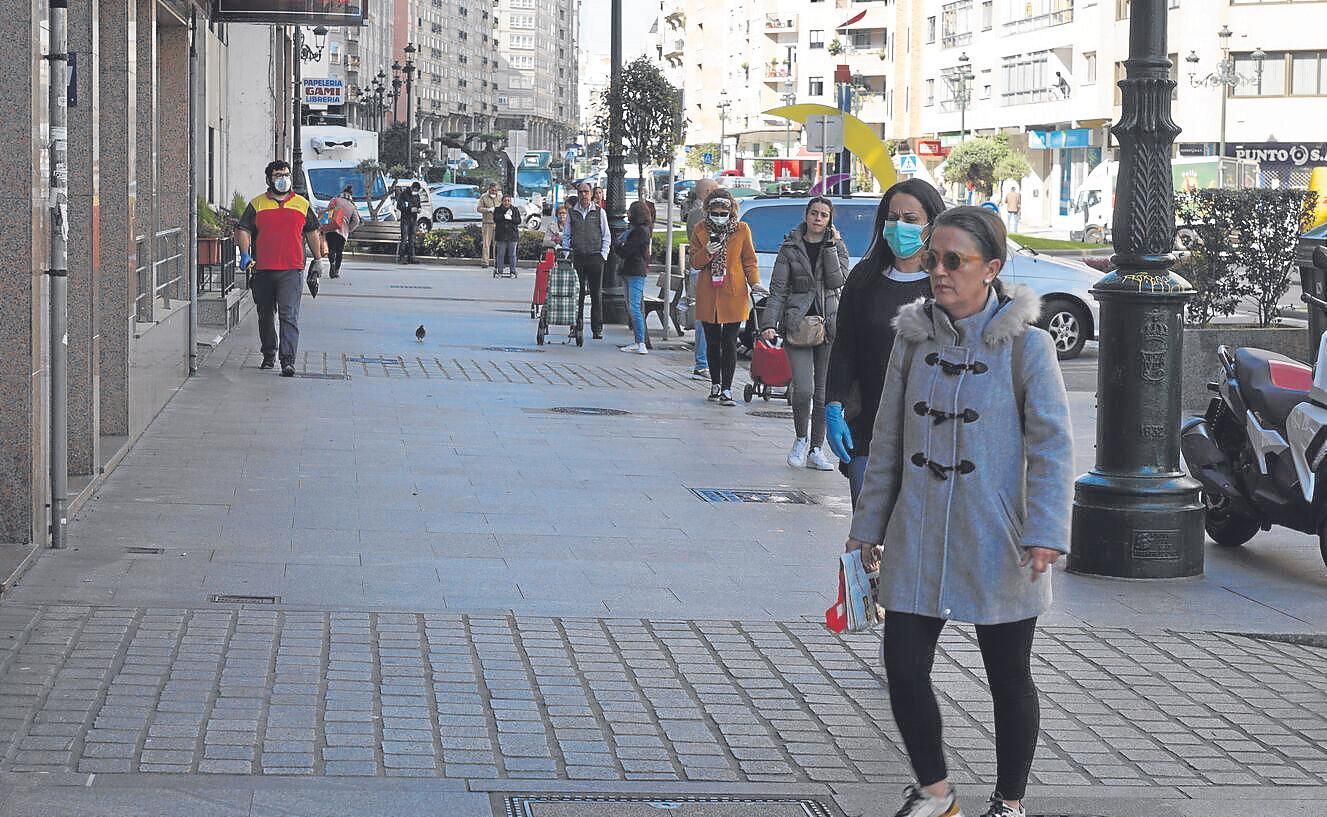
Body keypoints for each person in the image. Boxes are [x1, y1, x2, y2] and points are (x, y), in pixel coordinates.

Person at [845, 206, 1073, 817]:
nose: (938, 272)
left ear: (991, 268)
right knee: (902, 663)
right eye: (932, 258)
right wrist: (867, 525)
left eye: (954, 261)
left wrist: (1047, 530)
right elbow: (888, 438)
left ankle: (1009, 800)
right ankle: (937, 792)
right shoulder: (912, 338)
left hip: (999, 535)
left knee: (1008, 675)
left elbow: (1052, 445)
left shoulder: (1028, 346)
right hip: (917, 530)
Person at [826, 179, 947, 505]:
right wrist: (834, 406)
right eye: (892, 218)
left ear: (932, 224)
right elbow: (845, 348)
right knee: (869, 540)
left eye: (910, 219)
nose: (898, 227)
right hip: (870, 431)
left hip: (932, 437)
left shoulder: (946, 285)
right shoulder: (864, 278)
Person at [761, 197, 848, 471]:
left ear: (830, 219)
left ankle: (816, 449)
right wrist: (769, 323)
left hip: (829, 325)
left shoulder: (837, 246)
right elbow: (778, 289)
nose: (818, 219)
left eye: (824, 215)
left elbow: (837, 281)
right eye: (814, 213)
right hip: (798, 324)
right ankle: (800, 438)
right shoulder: (790, 248)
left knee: (822, 394)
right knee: (803, 390)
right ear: (806, 215)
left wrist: (831, 247)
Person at [234, 160, 328, 378]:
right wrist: (245, 253)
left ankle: (288, 361)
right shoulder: (257, 204)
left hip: (291, 270)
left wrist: (317, 259)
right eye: (278, 175)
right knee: (265, 314)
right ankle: (269, 353)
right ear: (269, 179)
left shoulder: (302, 204)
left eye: (285, 174)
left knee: (289, 315)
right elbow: (244, 229)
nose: (283, 179)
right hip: (263, 269)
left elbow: (312, 231)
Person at [690, 189, 759, 406]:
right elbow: (695, 262)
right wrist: (707, 251)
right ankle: (715, 384)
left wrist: (754, 282)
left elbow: (749, 260)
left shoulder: (741, 229)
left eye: (724, 213)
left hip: (733, 292)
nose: (719, 217)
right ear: (708, 211)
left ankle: (728, 389)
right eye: (715, 212)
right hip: (709, 292)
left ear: (731, 212)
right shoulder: (700, 229)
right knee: (712, 341)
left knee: (729, 341)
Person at [562, 181, 611, 340]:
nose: (583, 195)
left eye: (586, 192)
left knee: (596, 294)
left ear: (591, 194)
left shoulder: (599, 212)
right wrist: (567, 254)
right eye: (581, 192)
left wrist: (603, 255)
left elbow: (606, 236)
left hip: (595, 257)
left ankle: (597, 329)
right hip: (578, 257)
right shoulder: (572, 213)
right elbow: (567, 235)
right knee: (578, 294)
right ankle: (576, 325)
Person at [685, 178, 719, 380]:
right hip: (705, 271)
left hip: (706, 270)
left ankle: (705, 361)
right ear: (707, 192)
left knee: (707, 317)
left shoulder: (696, 213)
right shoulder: (700, 215)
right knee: (706, 317)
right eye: (716, 191)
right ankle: (702, 363)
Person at [615, 199, 654, 355]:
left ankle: (641, 342)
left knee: (634, 307)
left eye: (630, 211)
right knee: (632, 306)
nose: (627, 214)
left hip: (635, 271)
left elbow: (625, 250)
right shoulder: (634, 230)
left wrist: (619, 246)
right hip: (629, 270)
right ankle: (638, 341)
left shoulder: (639, 232)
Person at [321, 185, 361, 279]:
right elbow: (356, 221)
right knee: (339, 252)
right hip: (342, 231)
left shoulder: (335, 200)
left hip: (331, 228)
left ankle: (332, 263)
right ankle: (336, 271)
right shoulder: (352, 206)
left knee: (331, 249)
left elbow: (328, 211)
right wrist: (349, 229)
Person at [492, 194, 521, 278]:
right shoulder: (498, 209)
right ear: (502, 201)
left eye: (508, 201)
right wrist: (504, 216)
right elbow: (495, 219)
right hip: (501, 235)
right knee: (500, 254)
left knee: (512, 254)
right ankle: (500, 271)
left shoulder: (515, 209)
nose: (506, 202)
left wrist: (511, 218)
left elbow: (518, 220)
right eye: (505, 201)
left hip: (512, 235)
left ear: (510, 202)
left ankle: (512, 271)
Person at [395, 182, 422, 264]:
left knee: (412, 240)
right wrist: (409, 209)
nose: (415, 191)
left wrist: (419, 209)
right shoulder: (404, 194)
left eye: (417, 190)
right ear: (412, 188)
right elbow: (399, 206)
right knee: (404, 239)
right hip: (405, 220)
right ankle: (401, 258)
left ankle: (412, 258)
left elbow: (419, 205)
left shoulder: (417, 195)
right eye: (415, 189)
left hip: (413, 219)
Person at [479, 182, 502, 269]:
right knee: (486, 243)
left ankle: (497, 262)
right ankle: (485, 262)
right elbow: (479, 208)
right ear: (489, 189)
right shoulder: (484, 197)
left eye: (495, 190)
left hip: (498, 223)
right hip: (487, 223)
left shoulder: (500, 197)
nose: (494, 192)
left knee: (498, 244)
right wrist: (488, 210)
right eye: (492, 190)